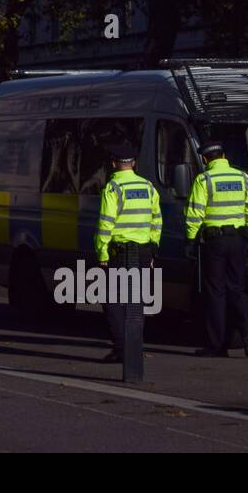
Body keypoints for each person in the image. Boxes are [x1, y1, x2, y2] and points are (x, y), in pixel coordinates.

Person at [184, 140, 248, 357]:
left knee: (215, 293)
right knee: (237, 290)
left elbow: (195, 214)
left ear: (206, 159)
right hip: (239, 240)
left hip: (214, 243)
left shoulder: (204, 179)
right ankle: (247, 335)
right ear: (224, 155)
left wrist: (190, 240)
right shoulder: (243, 178)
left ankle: (217, 345)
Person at [95, 143, 162, 363]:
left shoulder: (113, 188)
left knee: (112, 300)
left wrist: (102, 253)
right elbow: (156, 221)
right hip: (142, 251)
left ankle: (122, 349)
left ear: (114, 164)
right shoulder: (148, 187)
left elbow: (105, 223)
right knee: (136, 302)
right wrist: (152, 250)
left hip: (119, 252)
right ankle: (133, 348)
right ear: (133, 163)